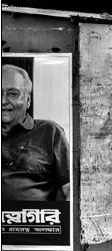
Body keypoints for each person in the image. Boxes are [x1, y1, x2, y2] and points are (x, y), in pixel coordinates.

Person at [2, 64, 70, 201]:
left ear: (28, 100)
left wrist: (65, 220)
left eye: (13, 94)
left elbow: (70, 188)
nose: (3, 101)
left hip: (35, 220)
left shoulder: (50, 132)